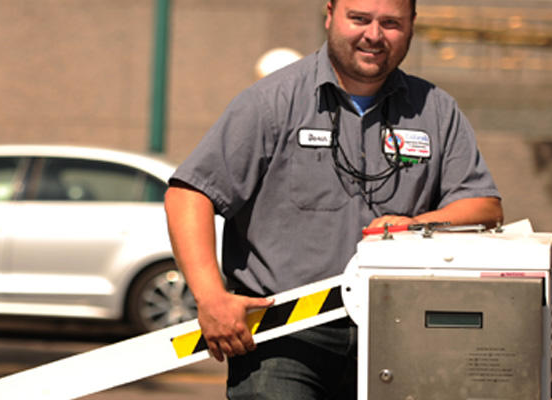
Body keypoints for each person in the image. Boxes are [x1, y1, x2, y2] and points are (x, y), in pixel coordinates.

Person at [161, 0, 503, 398]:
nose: (373, 35)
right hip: (284, 339)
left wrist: (412, 227)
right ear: (329, 15)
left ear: (412, 26)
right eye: (359, 19)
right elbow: (190, 194)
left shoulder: (436, 111)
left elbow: (484, 208)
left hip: (399, 335)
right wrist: (209, 296)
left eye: (391, 23)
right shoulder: (272, 101)